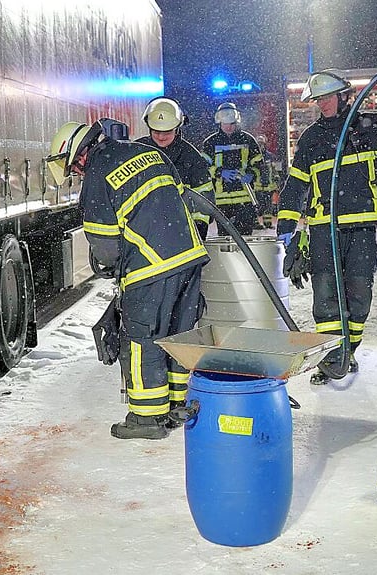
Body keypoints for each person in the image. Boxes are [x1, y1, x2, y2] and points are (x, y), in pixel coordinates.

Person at [46, 119, 209, 439]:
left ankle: (147, 418)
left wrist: (111, 265)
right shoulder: (146, 152)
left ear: (80, 155)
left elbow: (104, 242)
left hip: (150, 266)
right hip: (189, 256)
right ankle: (175, 404)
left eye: (74, 168)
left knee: (140, 338)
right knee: (177, 333)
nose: (77, 173)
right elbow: (178, 199)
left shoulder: (97, 174)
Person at [276, 61, 377, 384]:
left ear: (345, 96)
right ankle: (333, 357)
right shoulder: (311, 139)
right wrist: (286, 229)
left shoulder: (371, 126)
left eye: (328, 97)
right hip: (324, 229)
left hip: (361, 227)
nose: (323, 104)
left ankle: (349, 351)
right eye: (319, 99)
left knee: (359, 296)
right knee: (326, 296)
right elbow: (296, 186)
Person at [135, 97, 216, 240]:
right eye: (156, 131)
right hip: (142, 233)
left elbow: (204, 198)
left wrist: (198, 229)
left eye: (167, 132)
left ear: (177, 129)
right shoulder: (136, 151)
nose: (161, 137)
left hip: (180, 232)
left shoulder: (191, 157)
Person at [202, 102, 264, 236]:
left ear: (237, 121)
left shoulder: (248, 140)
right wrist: (219, 172)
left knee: (245, 238)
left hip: (245, 199)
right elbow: (203, 167)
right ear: (219, 122)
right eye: (226, 124)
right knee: (225, 238)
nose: (229, 127)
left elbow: (258, 164)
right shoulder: (210, 143)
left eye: (232, 123)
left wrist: (251, 174)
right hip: (221, 201)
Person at [254, 135, 280, 230]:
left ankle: (268, 223)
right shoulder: (253, 156)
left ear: (265, 144)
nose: (260, 145)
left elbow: (274, 170)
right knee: (257, 205)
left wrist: (277, 179)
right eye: (259, 144)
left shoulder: (270, 156)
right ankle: (255, 223)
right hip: (257, 186)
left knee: (268, 206)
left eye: (262, 143)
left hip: (269, 186)